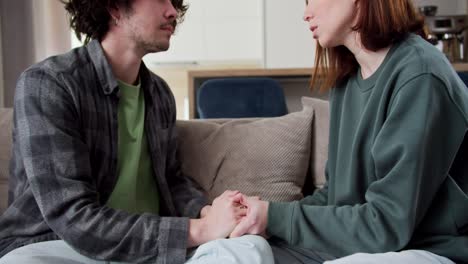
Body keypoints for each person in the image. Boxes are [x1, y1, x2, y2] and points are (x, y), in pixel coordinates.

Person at [0, 0, 273, 263]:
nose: (172, 12)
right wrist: (199, 229)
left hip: (147, 249)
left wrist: (211, 212)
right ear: (114, 7)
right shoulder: (49, 84)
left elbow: (171, 181)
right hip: (58, 247)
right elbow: (72, 217)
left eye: (174, 2)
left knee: (250, 249)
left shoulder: (159, 93)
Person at [230, 0, 468, 263]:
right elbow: (336, 199)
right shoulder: (347, 83)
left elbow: (386, 226)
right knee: (235, 251)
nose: (306, 13)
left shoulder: (420, 76)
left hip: (431, 249)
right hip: (367, 245)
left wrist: (273, 218)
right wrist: (257, 217)